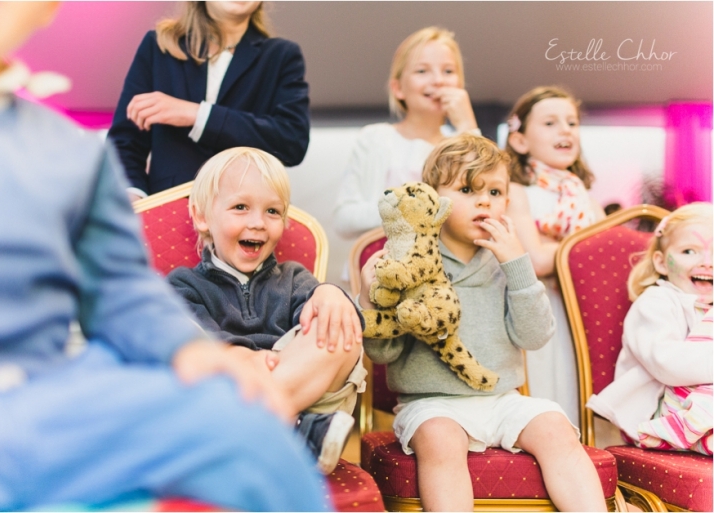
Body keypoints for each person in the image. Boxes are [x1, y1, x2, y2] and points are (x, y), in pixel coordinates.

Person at [0, 3, 327, 511]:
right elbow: (127, 137)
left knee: (249, 431)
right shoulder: (159, 48)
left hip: (49, 396)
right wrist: (131, 196)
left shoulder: (70, 154)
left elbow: (121, 289)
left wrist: (194, 356)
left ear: (44, 10)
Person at [360, 134, 606, 512]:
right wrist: (369, 297)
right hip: (431, 405)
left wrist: (519, 266)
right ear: (434, 200)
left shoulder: (506, 262)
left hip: (502, 399)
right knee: (440, 441)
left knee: (556, 429)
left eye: (495, 192)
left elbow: (535, 335)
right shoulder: (408, 263)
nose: (483, 201)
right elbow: (381, 351)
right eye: (467, 189)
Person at [168, 146, 367, 474]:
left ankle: (260, 429)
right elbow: (186, 338)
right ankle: (296, 433)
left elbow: (336, 325)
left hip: (303, 392)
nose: (258, 223)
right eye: (241, 207)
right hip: (224, 393)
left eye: (272, 211)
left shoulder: (293, 277)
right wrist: (238, 357)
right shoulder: (184, 284)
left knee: (339, 329)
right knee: (188, 353)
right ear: (202, 216)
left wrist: (332, 294)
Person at [107, 1, 310, 200]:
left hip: (245, 213)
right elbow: (125, 141)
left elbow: (291, 141)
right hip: (166, 211)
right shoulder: (158, 46)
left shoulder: (281, 56)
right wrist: (134, 195)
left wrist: (198, 115)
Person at [504, 86, 606, 425]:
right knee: (545, 392)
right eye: (550, 123)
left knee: (579, 390)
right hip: (538, 309)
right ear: (519, 141)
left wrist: (552, 245)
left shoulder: (589, 203)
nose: (565, 130)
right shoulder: (516, 193)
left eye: (572, 123)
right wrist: (578, 249)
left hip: (584, 312)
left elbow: (603, 269)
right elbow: (533, 262)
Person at [333, 26, 480, 242]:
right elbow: (344, 220)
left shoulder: (461, 146)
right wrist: (406, 209)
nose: (438, 80)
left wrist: (469, 129)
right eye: (422, 71)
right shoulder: (375, 138)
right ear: (398, 88)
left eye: (448, 71)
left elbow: (484, 204)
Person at [588, 203, 713, 454]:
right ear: (661, 263)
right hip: (661, 414)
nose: (707, 263)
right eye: (689, 251)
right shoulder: (655, 303)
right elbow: (667, 363)